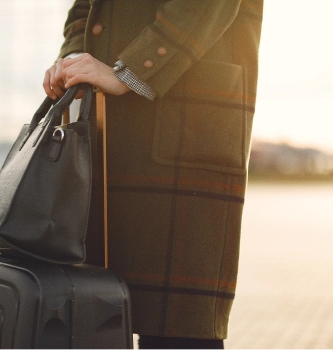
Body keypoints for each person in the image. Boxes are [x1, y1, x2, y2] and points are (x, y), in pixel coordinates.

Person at [43, 1, 263, 349]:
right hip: (103, 127)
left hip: (185, 124)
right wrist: (73, 62)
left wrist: (131, 72)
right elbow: (86, 7)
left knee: (176, 329)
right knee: (90, 318)